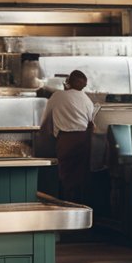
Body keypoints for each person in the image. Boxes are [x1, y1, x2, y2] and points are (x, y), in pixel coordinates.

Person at [39, 70, 97, 204]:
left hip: (66, 140)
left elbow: (45, 120)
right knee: (81, 176)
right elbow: (91, 122)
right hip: (84, 139)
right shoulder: (86, 99)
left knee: (66, 175)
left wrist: (43, 135)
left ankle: (68, 207)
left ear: (68, 83)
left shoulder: (57, 96)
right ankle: (81, 208)